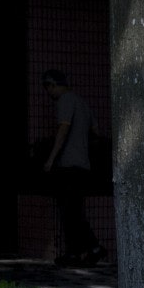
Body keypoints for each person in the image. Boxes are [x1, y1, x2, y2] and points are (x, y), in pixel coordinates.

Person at [42, 69, 101, 267]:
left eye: (48, 87)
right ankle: (91, 249)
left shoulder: (65, 100)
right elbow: (96, 131)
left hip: (69, 164)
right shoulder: (82, 103)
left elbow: (63, 129)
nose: (49, 93)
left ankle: (76, 252)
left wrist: (51, 159)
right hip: (83, 164)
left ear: (52, 84)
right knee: (75, 211)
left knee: (69, 212)